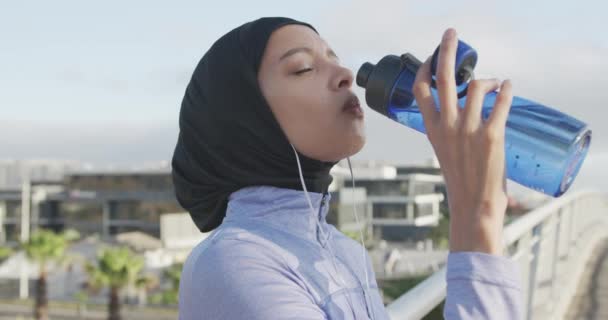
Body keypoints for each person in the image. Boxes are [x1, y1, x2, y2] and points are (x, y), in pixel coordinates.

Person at [172, 17, 522, 320]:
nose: (345, 74)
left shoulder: (345, 251)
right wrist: (477, 217)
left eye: (334, 59)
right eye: (303, 68)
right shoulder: (231, 264)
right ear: (246, 119)